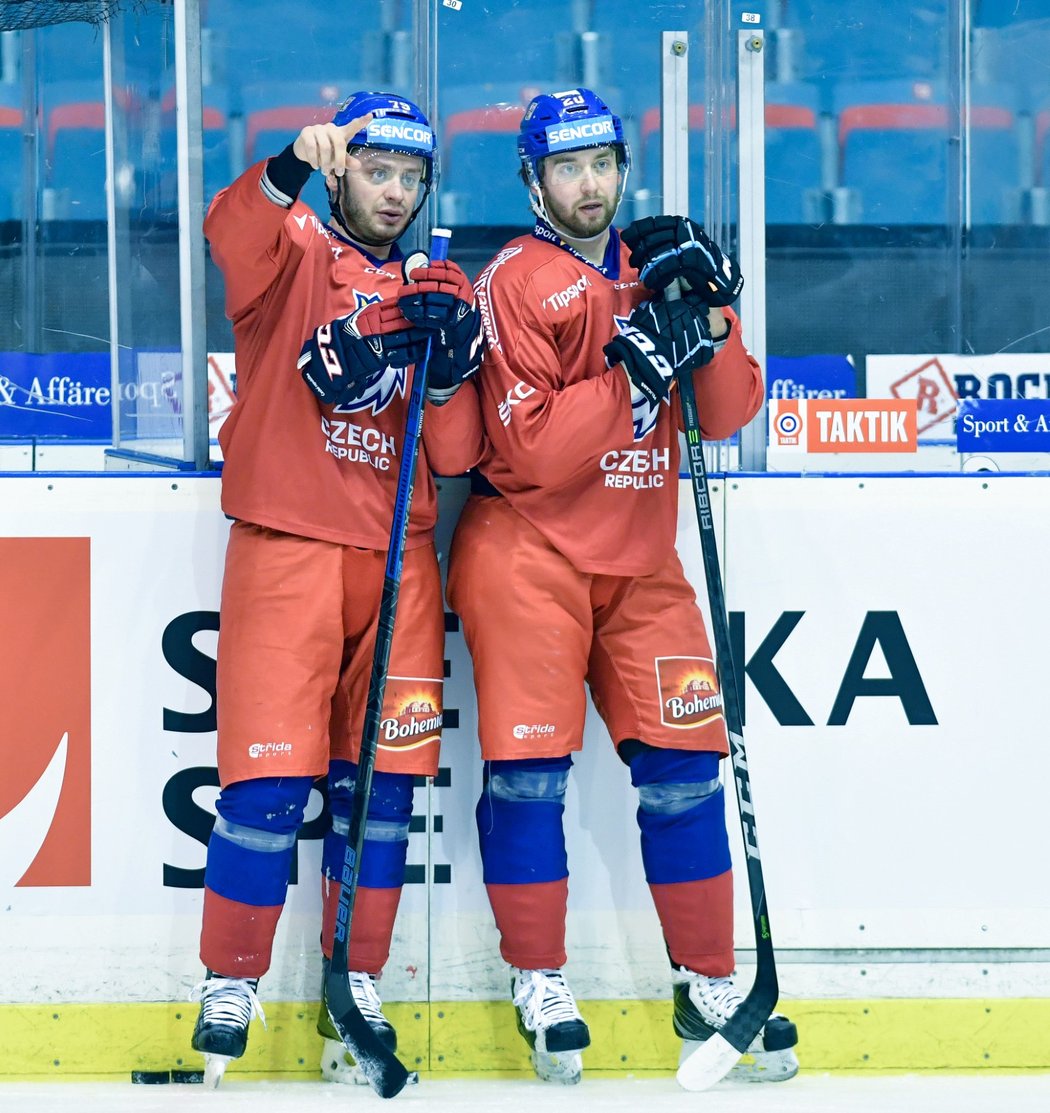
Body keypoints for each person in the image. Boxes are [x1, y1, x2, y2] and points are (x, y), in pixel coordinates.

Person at [445, 87, 799, 1085]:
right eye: (568, 168)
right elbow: (530, 448)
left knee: (686, 775)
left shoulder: (656, 265)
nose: (591, 184)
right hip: (528, 553)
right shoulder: (511, 281)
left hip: (643, 561)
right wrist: (635, 376)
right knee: (526, 777)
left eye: (603, 162)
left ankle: (711, 984)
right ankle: (540, 978)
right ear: (532, 180)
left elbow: (725, 412)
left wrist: (714, 311)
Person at [190, 90, 485, 1086]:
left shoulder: (440, 286)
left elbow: (452, 452)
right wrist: (284, 166)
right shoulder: (297, 246)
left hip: (398, 562)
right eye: (377, 171)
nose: (394, 193)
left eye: (410, 178)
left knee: (385, 793)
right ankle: (230, 977)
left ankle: (353, 979)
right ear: (343, 170)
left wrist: (448, 374)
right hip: (288, 547)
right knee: (267, 788)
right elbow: (228, 236)